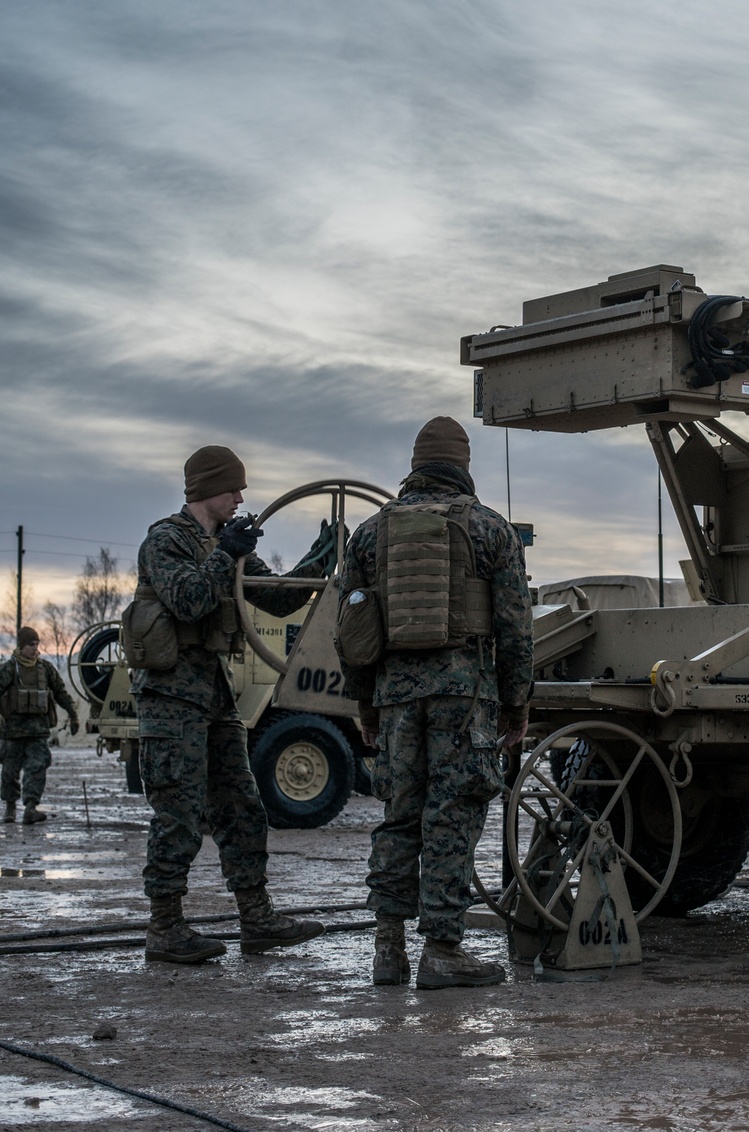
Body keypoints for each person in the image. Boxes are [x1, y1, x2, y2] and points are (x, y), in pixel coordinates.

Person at [340, 417, 534, 990]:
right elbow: (515, 627)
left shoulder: (371, 534)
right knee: (451, 814)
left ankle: (388, 951)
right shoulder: (490, 530)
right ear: (464, 466)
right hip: (464, 694)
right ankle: (444, 949)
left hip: (396, 699)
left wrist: (366, 706)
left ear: (416, 465)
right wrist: (516, 704)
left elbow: (351, 631)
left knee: (400, 815)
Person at [132, 444, 327, 966]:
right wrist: (227, 554)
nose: (241, 497)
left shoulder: (227, 542)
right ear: (206, 490)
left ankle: (257, 918)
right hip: (170, 698)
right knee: (178, 811)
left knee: (242, 807)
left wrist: (320, 556)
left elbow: (276, 597)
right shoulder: (166, 540)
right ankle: (165, 927)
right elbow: (188, 600)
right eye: (234, 488)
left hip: (213, 695)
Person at [0, 625, 79, 824]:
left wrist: (72, 714)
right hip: (13, 731)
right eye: (30, 645)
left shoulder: (45, 669)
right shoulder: (10, 668)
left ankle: (30, 808)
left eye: (36, 644)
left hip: (38, 732)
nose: (35, 649)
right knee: (9, 772)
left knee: (36, 769)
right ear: (21, 646)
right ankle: (10, 808)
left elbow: (60, 692)